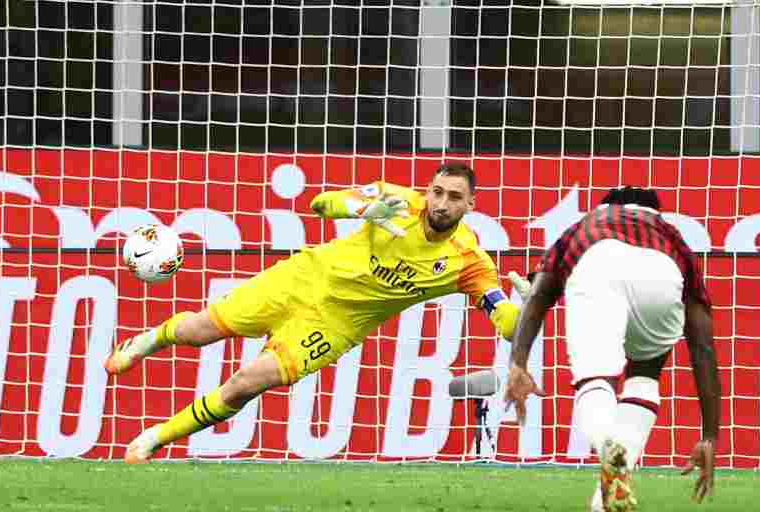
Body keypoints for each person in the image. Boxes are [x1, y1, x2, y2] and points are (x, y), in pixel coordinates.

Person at [105, 162, 521, 463]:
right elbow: (321, 204)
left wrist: (527, 308)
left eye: (454, 197)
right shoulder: (395, 201)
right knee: (201, 330)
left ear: (470, 204)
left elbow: (503, 321)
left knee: (246, 382)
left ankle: (154, 438)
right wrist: (360, 208)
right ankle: (147, 340)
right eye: (437, 192)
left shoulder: (469, 262)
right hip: (305, 277)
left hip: (336, 324)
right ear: (427, 191)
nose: (442, 203)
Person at [503, 186, 720, 512]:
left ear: (604, 207)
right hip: (661, 275)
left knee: (595, 380)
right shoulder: (672, 236)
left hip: (598, 263)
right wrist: (709, 436)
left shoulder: (587, 223)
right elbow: (703, 346)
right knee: (646, 376)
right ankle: (605, 499)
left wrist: (518, 363)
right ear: (656, 213)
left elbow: (538, 295)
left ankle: (611, 457)